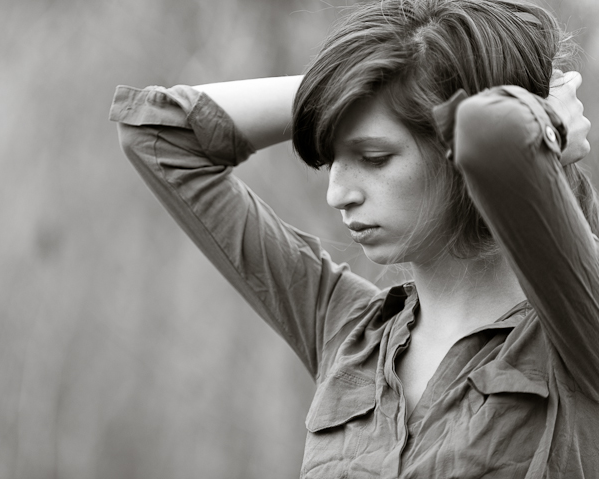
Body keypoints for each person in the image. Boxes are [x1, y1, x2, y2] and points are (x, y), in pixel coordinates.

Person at [110, 0, 598, 476]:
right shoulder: (344, 329)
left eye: (374, 158)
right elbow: (159, 136)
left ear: (456, 154)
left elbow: (494, 135)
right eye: (331, 161)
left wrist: (541, 124)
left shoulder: (577, 329)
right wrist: (355, 79)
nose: (337, 194)